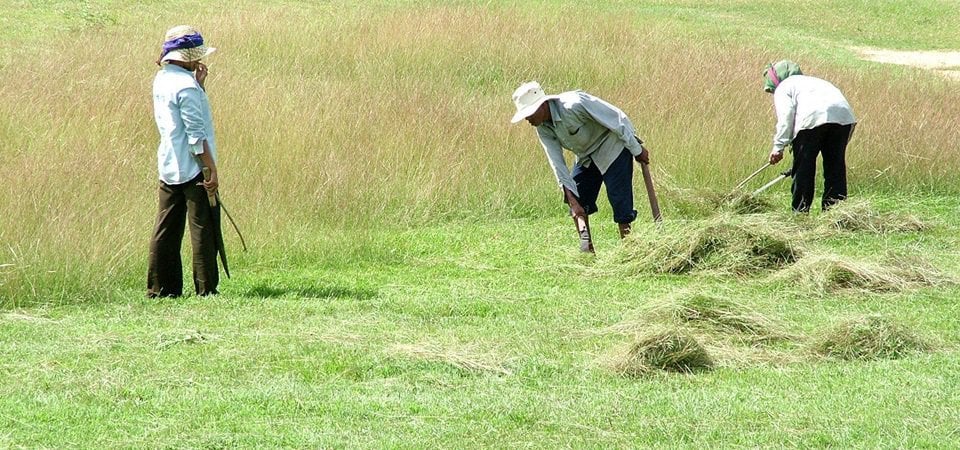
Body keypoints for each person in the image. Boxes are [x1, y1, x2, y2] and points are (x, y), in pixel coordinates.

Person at [511, 81, 650, 253]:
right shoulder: (542, 129)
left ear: (542, 105)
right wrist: (572, 200)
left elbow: (616, 119)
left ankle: (629, 251)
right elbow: (556, 163)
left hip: (612, 146)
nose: (527, 119)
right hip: (586, 157)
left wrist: (636, 149)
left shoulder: (574, 104)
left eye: (529, 113)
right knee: (578, 199)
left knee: (620, 202)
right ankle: (588, 252)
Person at [147, 25, 221, 297]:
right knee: (203, 225)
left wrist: (200, 87)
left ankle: (161, 289)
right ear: (187, 56)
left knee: (166, 227)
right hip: (194, 165)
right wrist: (210, 168)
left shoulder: (162, 79)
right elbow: (195, 134)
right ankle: (206, 289)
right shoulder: (186, 86)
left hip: (168, 163)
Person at [764, 60, 857, 212]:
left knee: (804, 169)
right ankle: (835, 213)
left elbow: (786, 117)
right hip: (844, 119)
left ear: (776, 80)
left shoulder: (784, 86)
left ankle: (800, 212)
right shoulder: (816, 82)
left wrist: (778, 147)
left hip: (812, 120)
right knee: (835, 167)